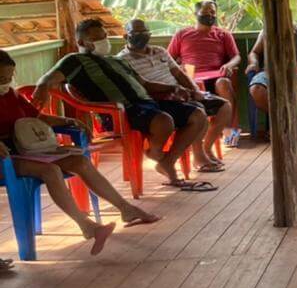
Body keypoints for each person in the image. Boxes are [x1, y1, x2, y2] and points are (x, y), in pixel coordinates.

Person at [0, 49, 158, 253]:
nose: (6, 82)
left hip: (26, 149)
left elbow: (37, 118)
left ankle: (126, 209)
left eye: (9, 77)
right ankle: (88, 226)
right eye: (1, 78)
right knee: (50, 171)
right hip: (6, 158)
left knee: (80, 161)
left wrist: (68, 121)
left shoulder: (10, 94)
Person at [34, 18, 210, 191]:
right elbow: (48, 78)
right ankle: (156, 153)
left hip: (148, 103)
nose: (103, 41)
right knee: (164, 121)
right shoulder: (75, 61)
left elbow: (144, 83)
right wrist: (42, 87)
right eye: (97, 38)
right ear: (81, 42)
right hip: (121, 112)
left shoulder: (117, 60)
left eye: (104, 36)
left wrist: (174, 88)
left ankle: (167, 161)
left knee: (197, 115)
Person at [118, 18, 231, 171]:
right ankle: (198, 157)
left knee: (224, 106)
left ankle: (206, 148)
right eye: (136, 33)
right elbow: (141, 87)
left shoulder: (160, 51)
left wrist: (195, 90)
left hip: (180, 92)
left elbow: (179, 73)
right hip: (160, 98)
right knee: (198, 112)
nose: (141, 35)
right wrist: (174, 90)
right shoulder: (122, 60)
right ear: (126, 36)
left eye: (144, 32)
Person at [167, 0, 241, 145]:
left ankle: (230, 135)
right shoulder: (182, 34)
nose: (210, 15)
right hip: (191, 79)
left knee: (224, 83)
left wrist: (228, 65)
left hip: (216, 76)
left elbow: (236, 56)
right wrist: (179, 69)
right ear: (196, 13)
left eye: (213, 12)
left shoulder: (223, 34)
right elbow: (168, 58)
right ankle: (192, 137)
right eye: (205, 12)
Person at [245, 23, 297, 133]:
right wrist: (253, 63)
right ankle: (281, 122)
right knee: (256, 89)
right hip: (268, 72)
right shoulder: (265, 32)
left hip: (295, 72)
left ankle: (283, 126)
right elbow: (254, 52)